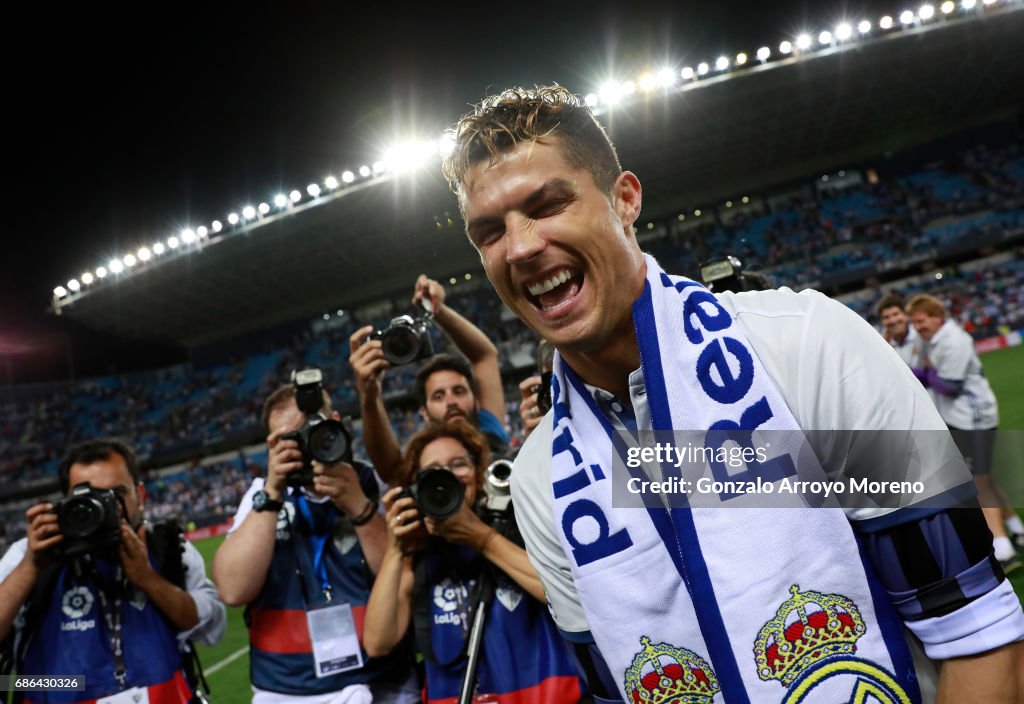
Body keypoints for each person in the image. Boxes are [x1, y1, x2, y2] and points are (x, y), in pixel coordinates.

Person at [440, 85, 1024, 703]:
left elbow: (977, 634)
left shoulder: (809, 345)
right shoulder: (538, 483)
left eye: (549, 203)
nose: (522, 246)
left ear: (625, 198)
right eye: (489, 233)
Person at [212, 383, 416, 704]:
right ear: (272, 445)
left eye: (312, 429)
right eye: (290, 438)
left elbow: (403, 574)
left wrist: (360, 508)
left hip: (381, 682)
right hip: (286, 690)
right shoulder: (260, 496)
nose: (306, 445)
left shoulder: (371, 481)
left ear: (335, 421)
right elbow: (234, 590)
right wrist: (273, 492)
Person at [362, 417, 587, 703]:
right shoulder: (417, 553)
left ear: (479, 474)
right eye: (432, 471)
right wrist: (396, 549)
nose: (448, 477)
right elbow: (377, 643)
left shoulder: (514, 524)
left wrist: (482, 538)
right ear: (416, 489)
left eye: (459, 464)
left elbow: (565, 593)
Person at [0, 438, 226, 704]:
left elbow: (213, 628)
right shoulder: (30, 553)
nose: (107, 507)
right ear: (69, 503)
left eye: (116, 493)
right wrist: (31, 567)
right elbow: (16, 681)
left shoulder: (167, 547)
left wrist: (149, 580)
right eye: (90, 496)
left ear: (140, 495)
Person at [348, 275, 509, 484]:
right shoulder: (420, 461)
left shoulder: (490, 433)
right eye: (438, 396)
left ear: (476, 400)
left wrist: (438, 310)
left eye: (459, 391)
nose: (451, 402)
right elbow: (391, 471)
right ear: (424, 412)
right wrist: (369, 394)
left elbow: (485, 357)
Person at [905, 293, 1024, 571]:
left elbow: (948, 385)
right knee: (986, 478)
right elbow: (928, 377)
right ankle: (1016, 530)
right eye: (915, 323)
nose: (918, 327)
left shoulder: (953, 340)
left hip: (974, 418)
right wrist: (927, 371)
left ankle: (1003, 547)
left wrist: (928, 370)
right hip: (962, 418)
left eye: (921, 321)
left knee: (978, 483)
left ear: (937, 317)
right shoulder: (934, 339)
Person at [876, 292, 921, 366]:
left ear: (906, 315)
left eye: (895, 314)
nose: (892, 320)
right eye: (886, 317)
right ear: (882, 322)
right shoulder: (883, 347)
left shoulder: (921, 336)